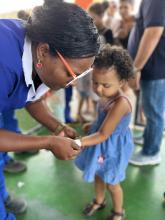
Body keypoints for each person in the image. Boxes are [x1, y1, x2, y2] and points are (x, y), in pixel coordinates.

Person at [0, 0, 99, 219]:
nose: (73, 83)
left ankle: (2, 196)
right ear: (44, 51)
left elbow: (31, 97)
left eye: (80, 76)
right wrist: (48, 142)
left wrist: (57, 126)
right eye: (71, 74)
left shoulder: (38, 54)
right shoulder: (3, 63)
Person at [75, 45, 134, 220]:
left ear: (122, 82)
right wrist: (92, 125)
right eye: (95, 82)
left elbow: (104, 134)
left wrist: (78, 142)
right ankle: (99, 201)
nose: (99, 89)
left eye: (105, 85)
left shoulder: (121, 103)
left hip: (113, 148)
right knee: (99, 175)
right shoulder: (106, 96)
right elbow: (103, 123)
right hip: (100, 144)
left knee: (112, 182)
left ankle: (118, 211)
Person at [128, 0, 165, 166]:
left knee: (154, 112)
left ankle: (152, 152)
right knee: (150, 110)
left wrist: (136, 68)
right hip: (151, 67)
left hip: (154, 68)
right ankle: (147, 138)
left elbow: (154, 32)